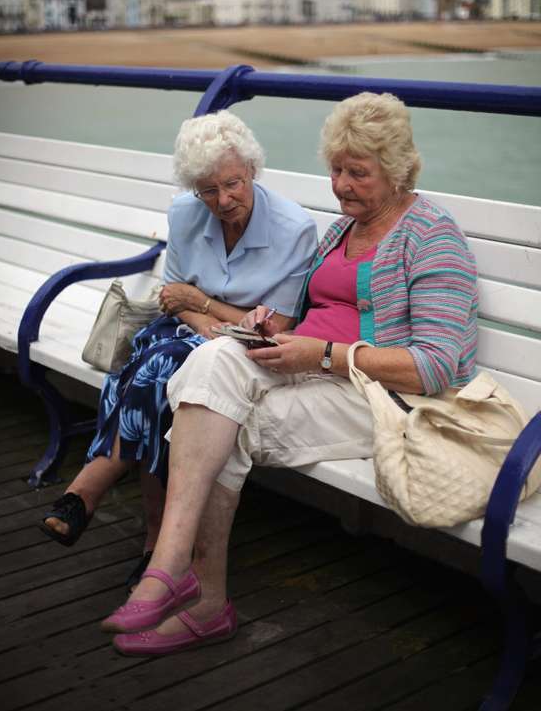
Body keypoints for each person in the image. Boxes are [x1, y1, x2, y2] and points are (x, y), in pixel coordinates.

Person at [102, 91, 478, 656]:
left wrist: (323, 355)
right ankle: (173, 563)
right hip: (314, 368)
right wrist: (268, 325)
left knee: (220, 419)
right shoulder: (342, 231)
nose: (342, 185)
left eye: (358, 173)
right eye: (335, 170)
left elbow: (436, 365)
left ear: (396, 170)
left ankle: (201, 598)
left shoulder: (430, 236)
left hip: (382, 395)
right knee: (214, 360)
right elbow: (307, 316)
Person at [39, 109, 318, 590]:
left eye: (233, 184)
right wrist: (204, 318)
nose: (223, 199)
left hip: (248, 353)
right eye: (208, 190)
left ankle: (94, 489)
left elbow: (277, 326)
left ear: (252, 170)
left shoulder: (294, 229)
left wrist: (203, 305)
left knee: (158, 366)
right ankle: (154, 543)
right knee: (154, 366)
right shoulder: (186, 212)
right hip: (189, 331)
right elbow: (173, 297)